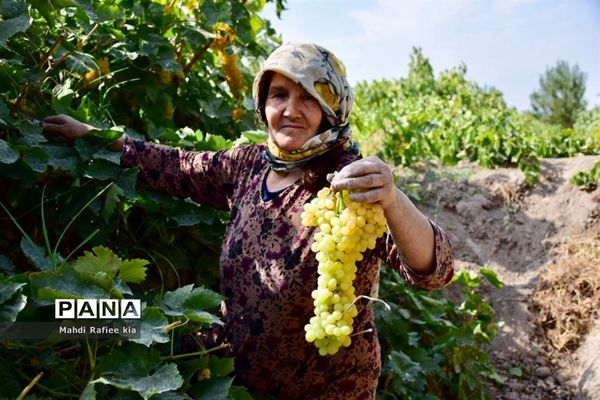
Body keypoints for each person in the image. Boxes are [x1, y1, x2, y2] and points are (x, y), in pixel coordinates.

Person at [43, 42, 454, 400]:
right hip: (235, 363)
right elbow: (175, 165)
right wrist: (90, 135)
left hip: (325, 388)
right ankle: (24, 326)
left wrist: (393, 199)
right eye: (278, 95)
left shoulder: (352, 184)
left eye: (309, 98)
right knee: (99, 321)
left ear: (332, 109)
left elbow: (436, 272)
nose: (290, 110)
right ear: (263, 104)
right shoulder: (249, 164)